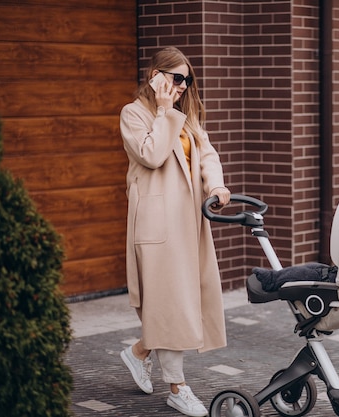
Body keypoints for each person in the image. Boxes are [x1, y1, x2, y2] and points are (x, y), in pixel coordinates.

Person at [118, 47, 231, 417]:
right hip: (156, 226)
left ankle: (138, 353)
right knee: (169, 305)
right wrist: (165, 112)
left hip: (189, 223)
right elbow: (150, 154)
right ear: (156, 75)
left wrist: (216, 186)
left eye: (187, 79)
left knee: (181, 302)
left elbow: (207, 153)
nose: (182, 86)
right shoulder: (133, 115)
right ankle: (178, 388)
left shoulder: (187, 115)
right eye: (176, 78)